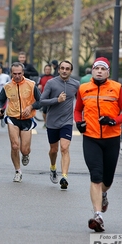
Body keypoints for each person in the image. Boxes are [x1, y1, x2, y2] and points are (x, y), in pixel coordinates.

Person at [74, 57, 122, 232]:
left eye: (103, 69)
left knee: (107, 179)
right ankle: (98, 216)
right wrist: (79, 122)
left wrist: (113, 120)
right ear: (92, 70)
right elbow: (78, 110)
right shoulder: (83, 88)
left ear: (108, 72)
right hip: (91, 138)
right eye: (96, 68)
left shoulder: (117, 88)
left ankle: (104, 195)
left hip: (111, 139)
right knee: (96, 176)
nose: (99, 71)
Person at [0, 62, 41, 182]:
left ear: (23, 73)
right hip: (13, 118)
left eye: (19, 73)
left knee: (24, 149)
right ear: (11, 73)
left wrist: (31, 107)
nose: (17, 76)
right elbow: (0, 100)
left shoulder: (31, 85)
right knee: (15, 145)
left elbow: (40, 101)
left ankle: (26, 154)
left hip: (27, 119)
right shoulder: (7, 86)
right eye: (14, 74)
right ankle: (17, 171)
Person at [40, 60, 80, 189]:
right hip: (52, 122)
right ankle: (53, 167)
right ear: (58, 70)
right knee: (54, 150)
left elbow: (81, 102)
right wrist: (57, 100)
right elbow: (42, 101)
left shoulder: (76, 84)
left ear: (71, 71)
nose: (64, 71)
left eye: (67, 69)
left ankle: (64, 177)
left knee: (64, 148)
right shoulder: (51, 83)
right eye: (62, 68)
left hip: (67, 122)